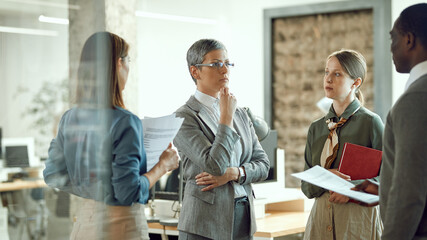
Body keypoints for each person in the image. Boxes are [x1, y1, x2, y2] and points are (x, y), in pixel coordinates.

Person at [43, 31, 179, 240]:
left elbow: (52, 174)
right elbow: (127, 193)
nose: (129, 68)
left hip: (84, 225)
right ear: (118, 63)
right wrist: (163, 166)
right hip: (120, 227)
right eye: (129, 60)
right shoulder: (126, 121)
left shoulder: (69, 118)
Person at [173, 39, 270, 240]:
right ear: (195, 71)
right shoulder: (184, 117)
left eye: (228, 63)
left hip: (243, 216)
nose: (225, 70)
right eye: (216, 64)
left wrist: (236, 173)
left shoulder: (240, 113)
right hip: (204, 223)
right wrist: (225, 118)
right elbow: (215, 165)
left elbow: (263, 165)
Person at [355, 4, 427, 239]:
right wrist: (385, 192)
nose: (390, 48)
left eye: (392, 38)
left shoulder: (415, 99)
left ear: (408, 39)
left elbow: (410, 192)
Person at [301, 49, 384, 239]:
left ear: (356, 83)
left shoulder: (371, 123)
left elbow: (389, 177)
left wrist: (352, 191)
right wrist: (323, 176)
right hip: (320, 222)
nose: (328, 79)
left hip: (357, 222)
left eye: (337, 74)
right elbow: (306, 187)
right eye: (326, 72)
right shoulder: (316, 128)